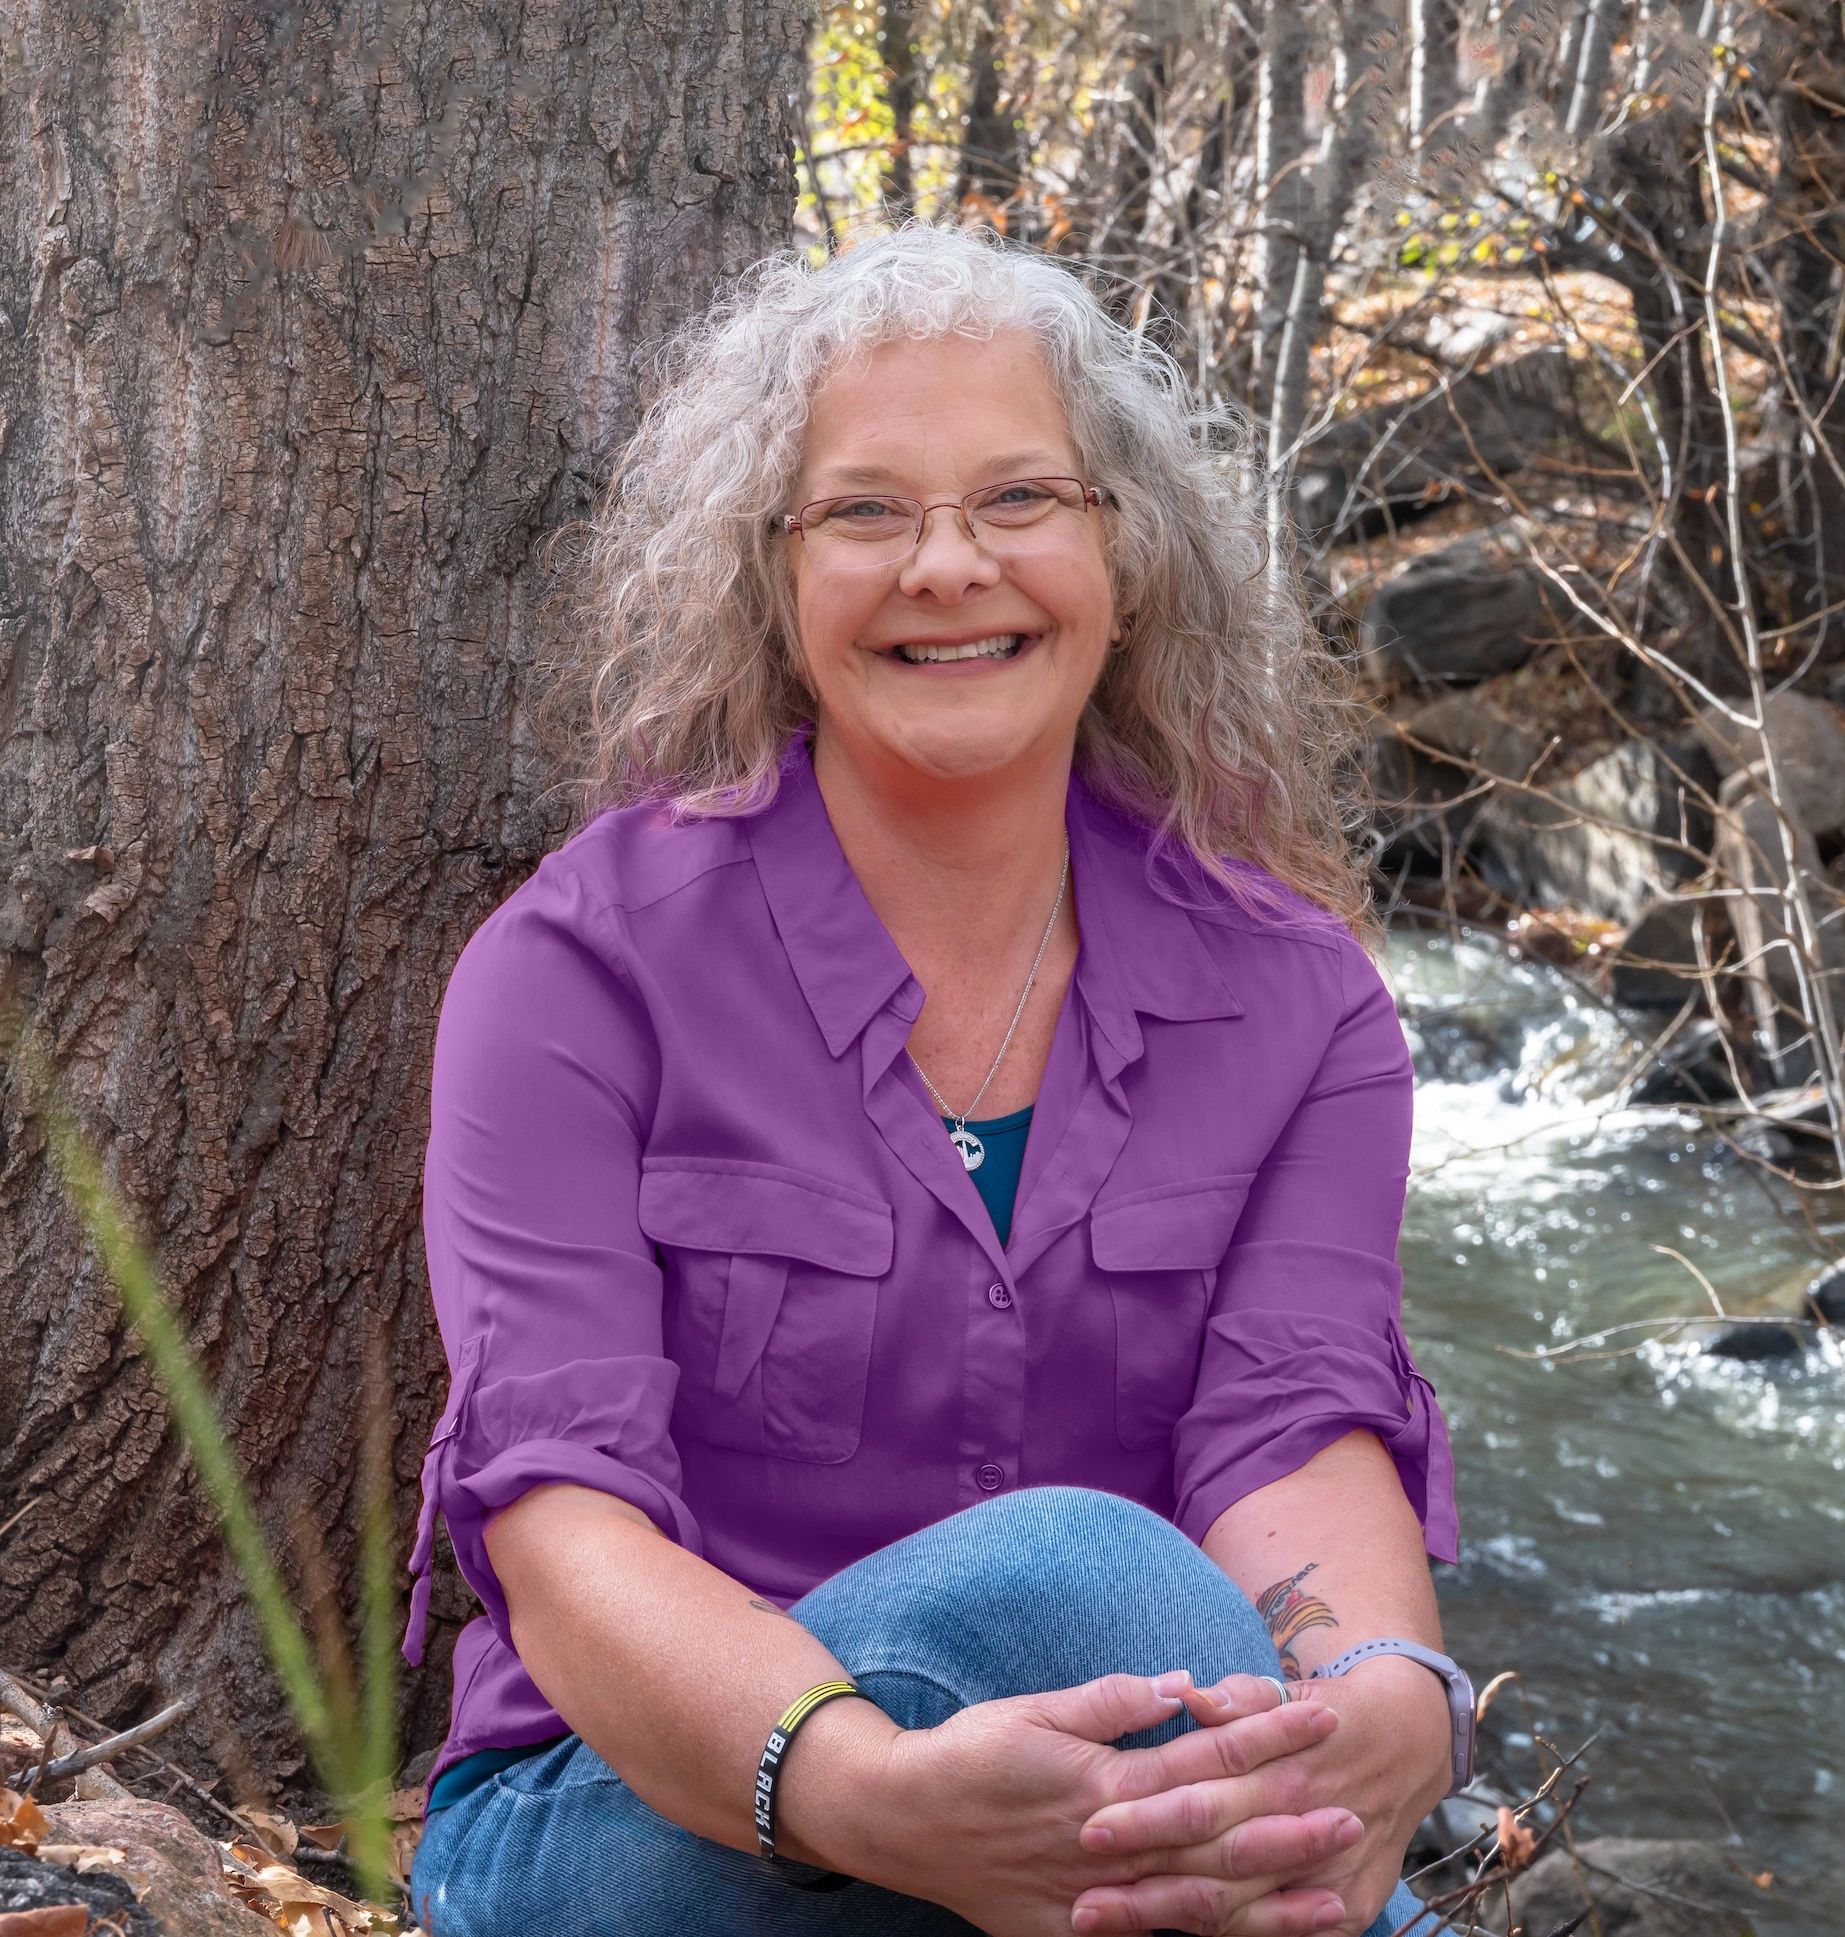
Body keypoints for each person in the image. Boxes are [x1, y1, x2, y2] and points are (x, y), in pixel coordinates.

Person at [401, 221, 1464, 1937]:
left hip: (1112, 1825)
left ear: (1129, 562)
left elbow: (1290, 1431)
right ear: (771, 576)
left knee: (1195, 1749)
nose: (948, 565)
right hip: (653, 1822)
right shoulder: (580, 970)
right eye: (867, 511)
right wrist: (860, 1793)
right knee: (1085, 1573)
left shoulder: (1299, 1000)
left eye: (1020, 500)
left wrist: (1386, 1694)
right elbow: (562, 1522)